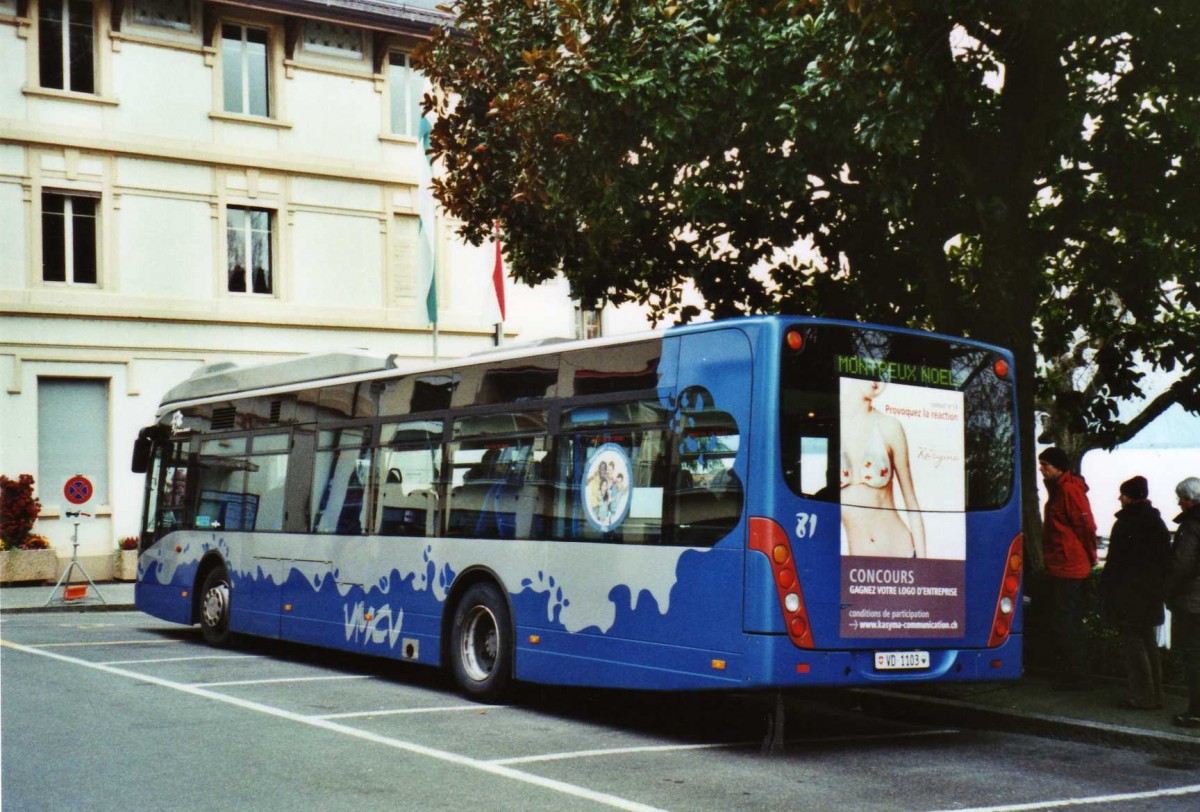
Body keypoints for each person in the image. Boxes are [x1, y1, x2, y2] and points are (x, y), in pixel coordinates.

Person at [1100, 475, 1170, 710]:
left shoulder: (1126, 523)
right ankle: (1156, 695)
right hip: (1150, 593)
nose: (1120, 498)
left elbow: (1115, 562)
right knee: (1148, 643)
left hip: (1130, 593)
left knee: (1134, 646)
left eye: (1123, 494)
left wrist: (1106, 589)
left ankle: (1140, 696)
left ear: (1131, 497)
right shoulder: (1157, 522)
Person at [839, 378, 926, 558]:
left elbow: (912, 503)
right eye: (869, 373)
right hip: (856, 564)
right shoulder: (828, 420)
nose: (875, 381)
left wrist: (924, 565)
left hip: (899, 551)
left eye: (882, 377)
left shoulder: (890, 427)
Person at [1038, 446, 1098, 691]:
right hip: (1063, 564)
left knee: (1066, 621)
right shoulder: (1061, 488)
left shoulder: (1069, 489)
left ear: (1058, 467)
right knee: (1064, 620)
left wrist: (1091, 555)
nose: (1042, 469)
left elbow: (1086, 526)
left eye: (1046, 465)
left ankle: (1077, 676)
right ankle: (1073, 674)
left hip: (1069, 566)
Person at [1165, 476, 1200, 728]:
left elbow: (1182, 564)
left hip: (1193, 601)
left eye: (1180, 498)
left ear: (1189, 500)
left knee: (1194, 658)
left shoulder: (1192, 525)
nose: (1178, 502)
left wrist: (1167, 591)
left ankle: (1196, 712)